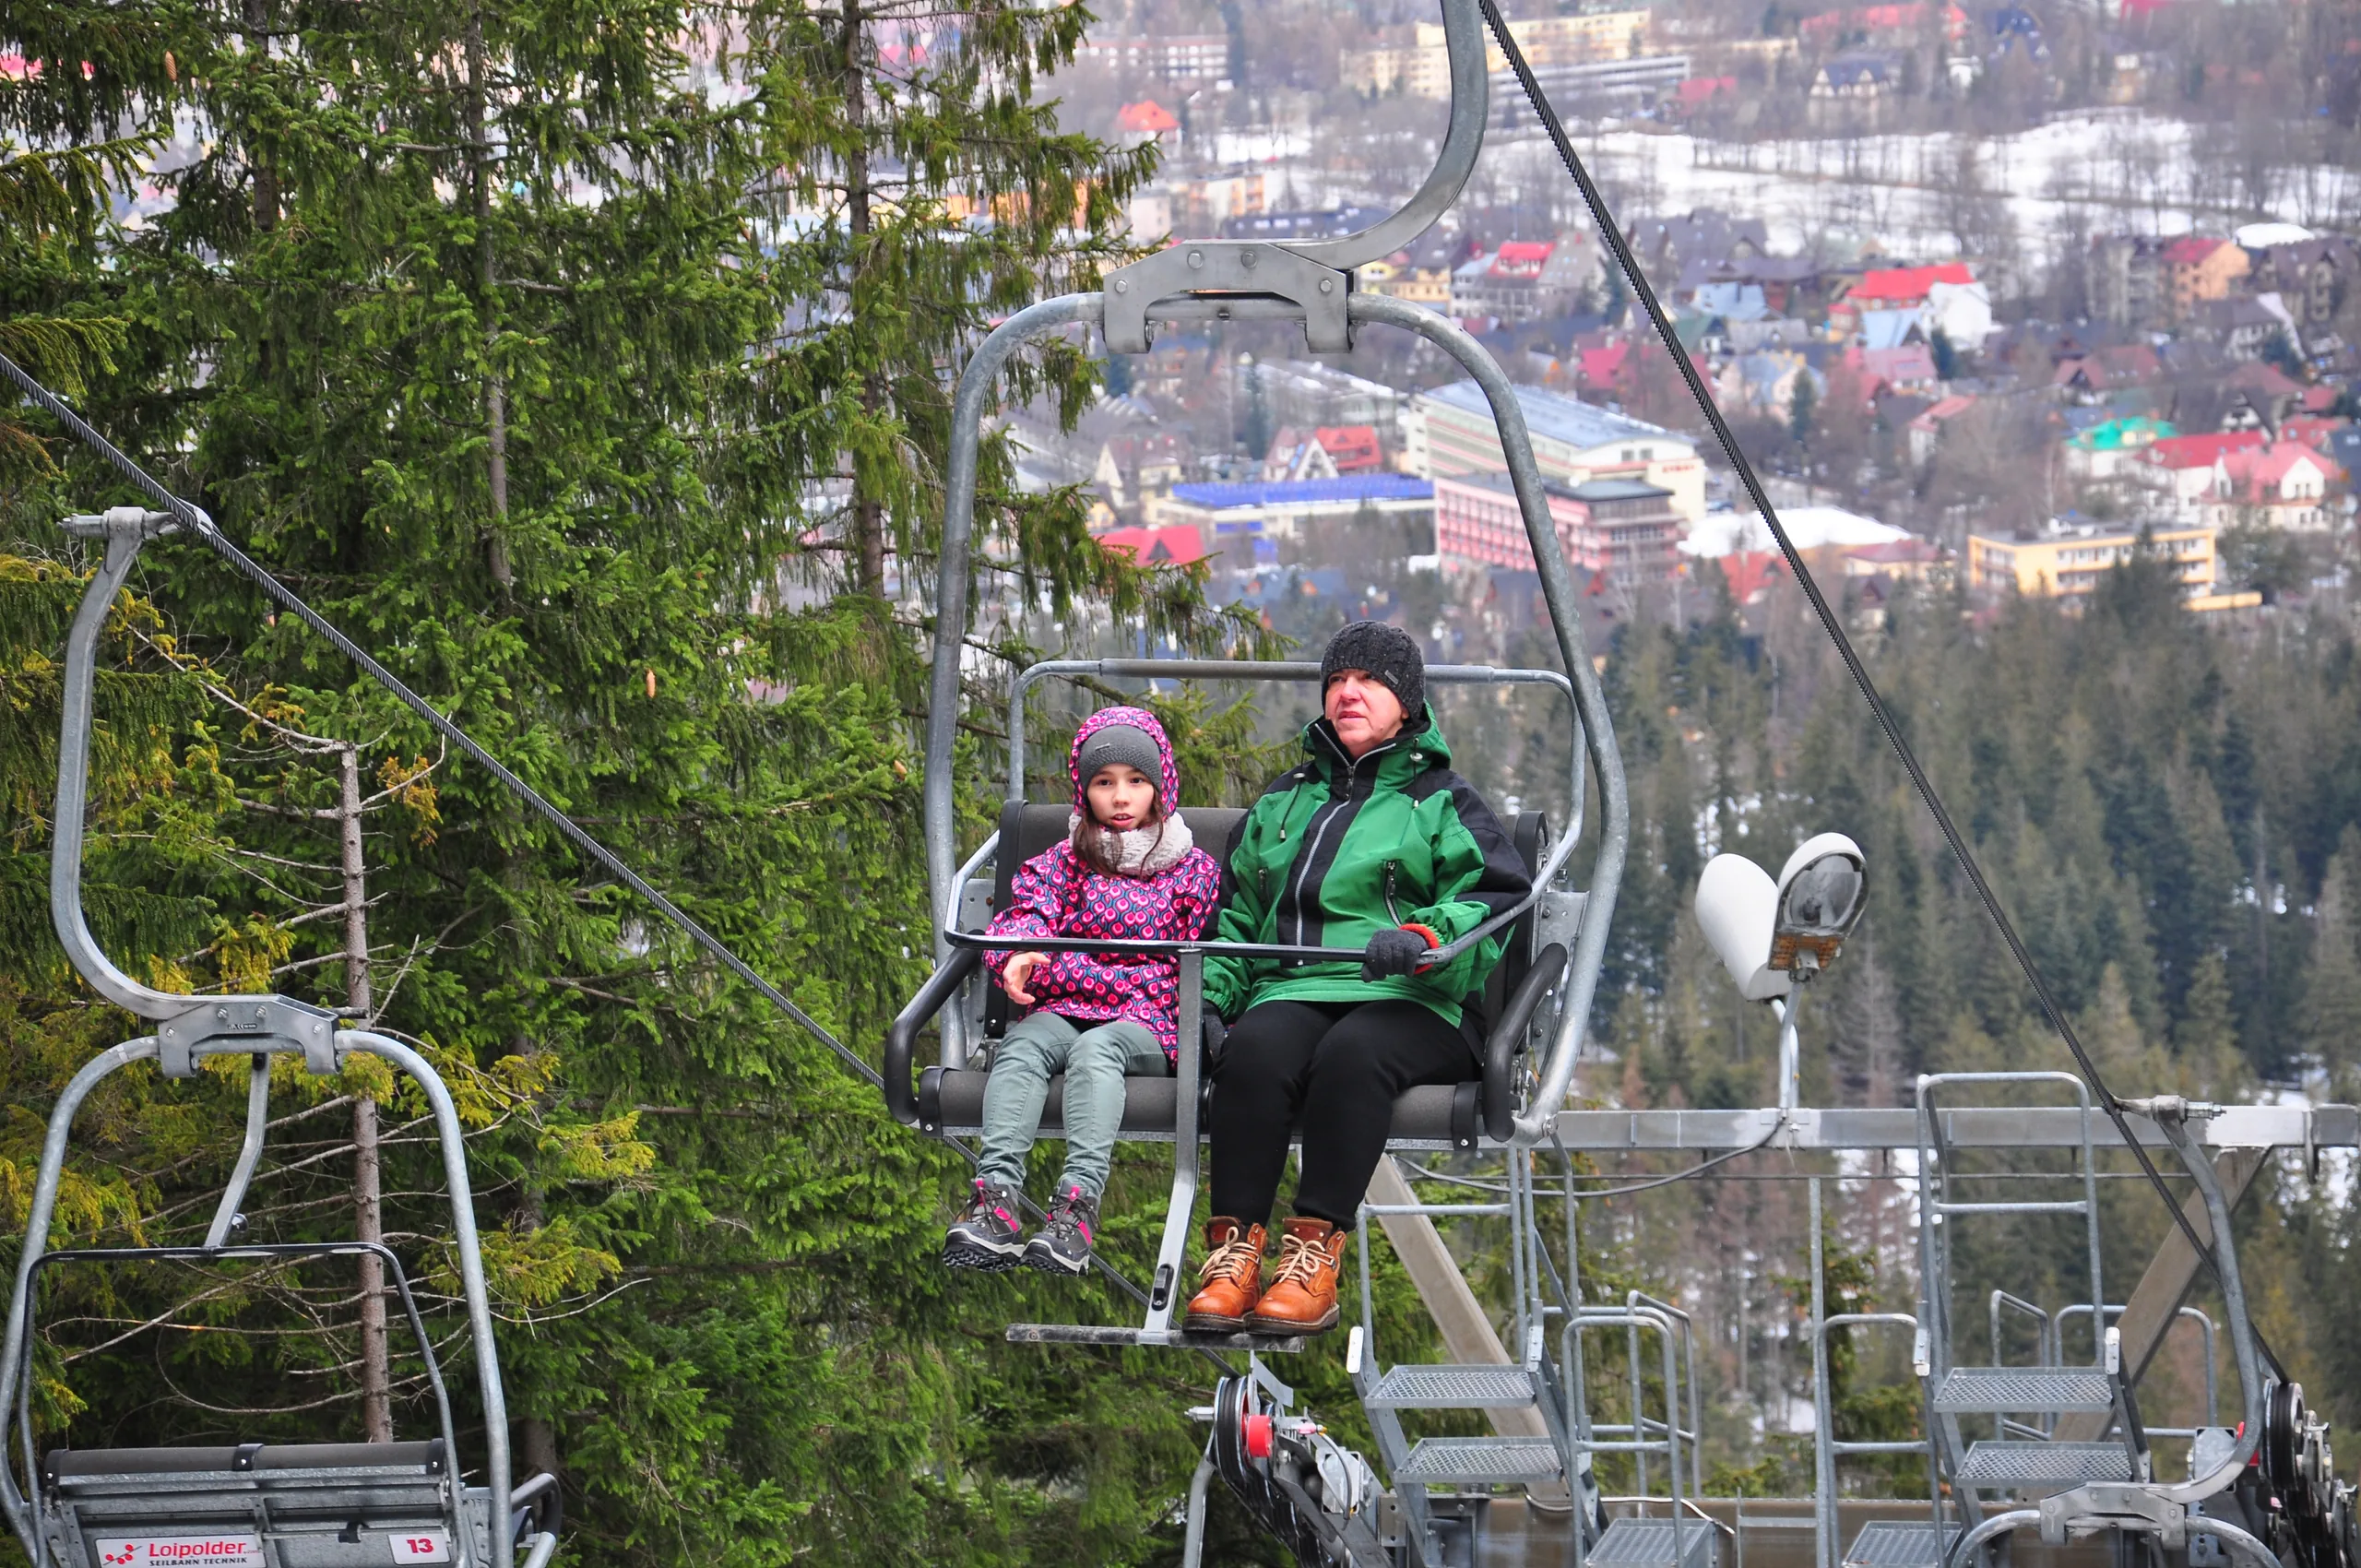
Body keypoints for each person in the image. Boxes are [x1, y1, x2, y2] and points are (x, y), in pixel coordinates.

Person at [1186, 623, 1529, 1334]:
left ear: (1406, 703)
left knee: (1354, 1057)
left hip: (1413, 999)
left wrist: (1421, 936)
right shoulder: (1284, 804)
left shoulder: (1440, 800)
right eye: (1337, 680)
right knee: (1253, 1053)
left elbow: (1495, 895)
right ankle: (1233, 1255)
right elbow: (1236, 917)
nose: (1348, 693)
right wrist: (1210, 1006)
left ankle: (1312, 1257)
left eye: (1369, 681)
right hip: (1294, 987)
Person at [945, 707, 1222, 1276]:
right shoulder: (1067, 861)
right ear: (1085, 791)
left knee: (1097, 1053)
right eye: (1104, 783)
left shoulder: (1191, 870)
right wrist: (1018, 952)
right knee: (1022, 1047)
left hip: (1149, 1018)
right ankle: (995, 1199)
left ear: (1159, 787)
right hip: (1067, 1005)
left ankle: (1077, 1208)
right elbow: (1030, 915)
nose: (1120, 796)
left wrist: (1210, 1023)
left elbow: (1205, 955)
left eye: (1135, 781)